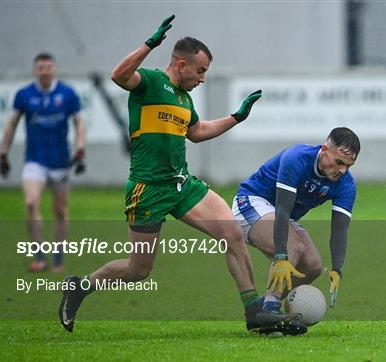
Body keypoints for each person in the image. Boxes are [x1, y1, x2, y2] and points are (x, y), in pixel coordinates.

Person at [58, 15, 306, 335]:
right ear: (180, 65)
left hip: (182, 185)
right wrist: (150, 43)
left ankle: (254, 311)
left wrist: (236, 117)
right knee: (138, 269)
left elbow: (198, 132)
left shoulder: (184, 99)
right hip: (148, 190)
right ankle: (80, 286)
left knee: (231, 233)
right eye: (200, 71)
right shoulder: (148, 82)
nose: (202, 78)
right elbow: (119, 75)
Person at [232, 127, 360, 312]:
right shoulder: (297, 158)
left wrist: (337, 268)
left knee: (313, 265)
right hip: (251, 202)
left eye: (348, 165)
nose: (342, 170)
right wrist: (281, 256)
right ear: (324, 150)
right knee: (293, 247)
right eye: (339, 162)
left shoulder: (346, 184)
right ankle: (270, 309)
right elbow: (283, 211)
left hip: (278, 212)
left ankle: (263, 306)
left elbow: (340, 229)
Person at [0, 52, 86, 274]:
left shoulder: (67, 94)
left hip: (61, 162)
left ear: (54, 69)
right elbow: (11, 124)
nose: (45, 71)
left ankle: (58, 259)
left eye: (48, 67)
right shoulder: (24, 95)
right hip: (34, 160)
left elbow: (79, 123)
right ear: (35, 70)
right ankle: (39, 257)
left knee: (60, 210)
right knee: (30, 203)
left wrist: (80, 149)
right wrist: (3, 153)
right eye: (41, 67)